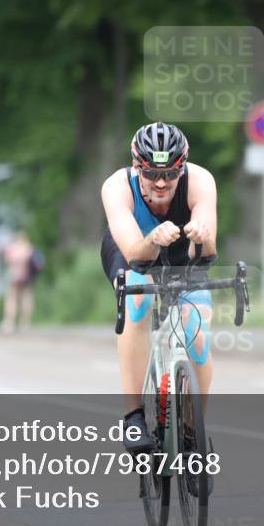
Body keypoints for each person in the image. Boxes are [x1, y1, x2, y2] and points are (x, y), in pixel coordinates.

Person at [100, 122, 217, 454]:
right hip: (132, 249)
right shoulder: (117, 186)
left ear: (183, 166)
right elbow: (136, 256)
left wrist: (202, 238)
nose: (162, 182)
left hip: (181, 252)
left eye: (171, 173)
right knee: (138, 299)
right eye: (151, 173)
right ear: (137, 166)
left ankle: (193, 434)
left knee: (197, 331)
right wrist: (152, 238)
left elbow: (207, 255)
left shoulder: (200, 181)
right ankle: (134, 415)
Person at [1, 231, 39, 333]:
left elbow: (7, 260)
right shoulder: (29, 249)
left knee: (12, 299)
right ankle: (25, 322)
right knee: (26, 298)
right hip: (27, 277)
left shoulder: (12, 248)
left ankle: (10, 322)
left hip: (14, 277)